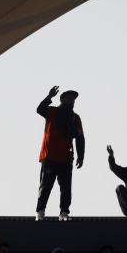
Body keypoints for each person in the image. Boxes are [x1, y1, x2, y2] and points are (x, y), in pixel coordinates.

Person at [35, 86, 85, 221]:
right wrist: (49, 96)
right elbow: (39, 109)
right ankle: (40, 211)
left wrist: (81, 155)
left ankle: (64, 212)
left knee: (66, 188)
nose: (72, 100)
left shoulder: (75, 118)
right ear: (62, 99)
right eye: (69, 97)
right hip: (49, 156)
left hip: (66, 158)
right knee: (45, 186)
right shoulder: (52, 111)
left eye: (73, 98)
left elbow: (80, 137)